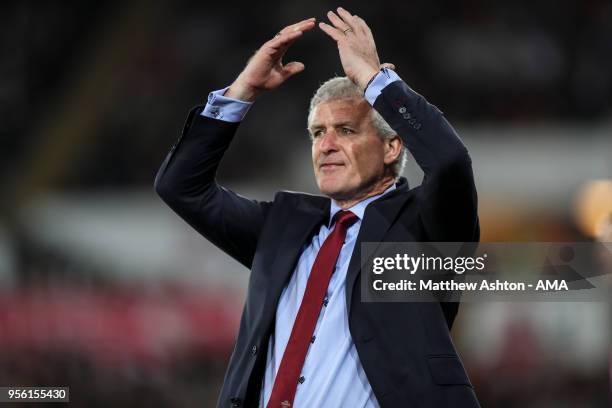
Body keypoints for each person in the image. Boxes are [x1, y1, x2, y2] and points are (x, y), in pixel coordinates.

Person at [155, 7, 480, 408]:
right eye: (317, 133)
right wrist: (242, 91)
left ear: (392, 146)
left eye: (345, 130)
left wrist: (378, 83)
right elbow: (180, 186)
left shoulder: (422, 229)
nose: (326, 145)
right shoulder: (282, 228)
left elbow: (449, 162)